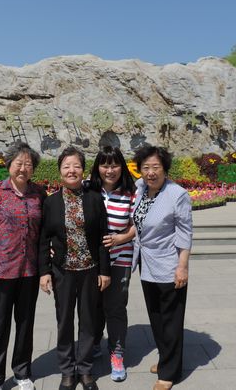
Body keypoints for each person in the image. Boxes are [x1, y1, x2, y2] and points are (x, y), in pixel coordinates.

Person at [0, 143, 46, 390]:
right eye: (19, 163)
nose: (23, 168)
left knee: (25, 324)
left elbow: (45, 231)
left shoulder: (39, 194)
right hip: (2, 271)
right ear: (9, 164)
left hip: (30, 271)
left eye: (28, 164)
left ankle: (22, 373)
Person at [39, 146, 111, 390]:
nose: (72, 170)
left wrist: (104, 271)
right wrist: (44, 271)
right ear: (60, 171)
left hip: (90, 269)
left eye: (76, 166)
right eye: (66, 166)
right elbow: (43, 239)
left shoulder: (94, 199)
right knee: (64, 321)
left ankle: (86, 369)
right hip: (63, 271)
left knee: (89, 321)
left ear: (83, 170)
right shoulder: (51, 202)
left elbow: (103, 237)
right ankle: (68, 371)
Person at [131, 145, 192, 390]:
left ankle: (169, 373)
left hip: (169, 264)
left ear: (165, 169)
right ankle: (166, 359)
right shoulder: (141, 189)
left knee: (171, 319)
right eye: (145, 167)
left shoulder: (177, 194)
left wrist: (182, 267)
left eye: (156, 167)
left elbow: (185, 233)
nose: (150, 172)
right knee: (156, 316)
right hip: (146, 264)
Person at [88, 146, 136, 382]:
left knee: (116, 307)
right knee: (92, 305)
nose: (110, 170)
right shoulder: (88, 189)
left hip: (120, 258)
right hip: (91, 260)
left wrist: (121, 238)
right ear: (97, 167)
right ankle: (94, 342)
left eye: (114, 165)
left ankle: (117, 354)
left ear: (122, 167)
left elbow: (137, 224)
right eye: (105, 165)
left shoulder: (130, 193)